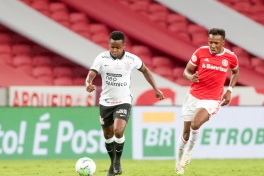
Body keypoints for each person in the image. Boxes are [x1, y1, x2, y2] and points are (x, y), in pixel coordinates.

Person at [85, 30, 165, 176]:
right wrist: (88, 83)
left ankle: (117, 162)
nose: (114, 50)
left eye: (117, 47)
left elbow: (145, 71)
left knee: (118, 131)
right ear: (109, 45)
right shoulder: (101, 58)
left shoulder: (132, 59)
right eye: (112, 47)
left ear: (124, 46)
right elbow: (91, 74)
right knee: (108, 136)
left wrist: (156, 89)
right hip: (105, 102)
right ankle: (112, 163)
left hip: (124, 100)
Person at [175, 28, 239, 175]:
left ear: (223, 42)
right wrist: (190, 77)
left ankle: (189, 152)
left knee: (195, 123)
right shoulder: (200, 52)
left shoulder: (230, 57)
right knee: (185, 133)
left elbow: (235, 71)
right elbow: (186, 71)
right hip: (193, 96)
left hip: (211, 99)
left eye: (216, 43)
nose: (212, 46)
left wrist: (230, 90)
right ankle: (178, 164)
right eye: (210, 42)